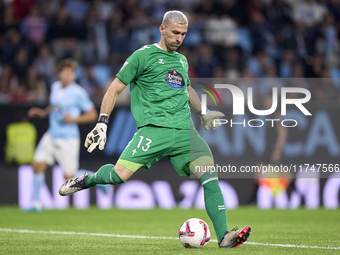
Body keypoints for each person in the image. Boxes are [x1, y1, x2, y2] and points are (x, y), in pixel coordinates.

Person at [59, 11, 251, 248]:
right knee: (118, 176)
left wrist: (203, 112)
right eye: (175, 33)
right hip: (153, 131)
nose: (179, 39)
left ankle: (224, 236)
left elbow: (187, 89)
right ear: (162, 29)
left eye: (183, 34)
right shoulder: (142, 56)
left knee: (210, 177)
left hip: (185, 133)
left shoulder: (181, 60)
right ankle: (89, 180)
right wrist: (102, 122)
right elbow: (114, 89)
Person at [27, 58, 98, 212]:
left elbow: (92, 115)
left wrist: (74, 119)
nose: (67, 75)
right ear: (59, 74)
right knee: (37, 165)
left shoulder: (78, 92)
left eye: (70, 73)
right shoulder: (55, 87)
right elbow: (54, 106)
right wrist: (42, 113)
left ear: (74, 75)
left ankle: (95, 178)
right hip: (51, 135)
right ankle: (36, 204)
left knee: (69, 178)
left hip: (68, 139)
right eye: (64, 72)